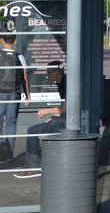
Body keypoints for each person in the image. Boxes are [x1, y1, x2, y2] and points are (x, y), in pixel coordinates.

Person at [14, 61, 64, 179]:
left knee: (32, 131)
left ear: (57, 72)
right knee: (36, 129)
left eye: (49, 72)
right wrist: (54, 116)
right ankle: (31, 164)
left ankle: (33, 167)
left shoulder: (65, 84)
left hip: (68, 123)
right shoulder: (61, 83)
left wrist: (45, 111)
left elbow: (67, 107)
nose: (47, 75)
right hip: (65, 119)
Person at [0, 34, 31, 162]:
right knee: (11, 123)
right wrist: (28, 96)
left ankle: (1, 151)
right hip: (14, 93)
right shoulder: (20, 56)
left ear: (2, 41)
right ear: (15, 41)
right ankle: (9, 155)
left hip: (0, 93)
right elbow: (25, 77)